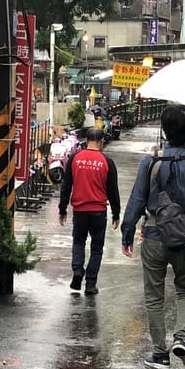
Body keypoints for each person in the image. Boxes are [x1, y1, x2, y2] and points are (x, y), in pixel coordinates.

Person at [120, 103, 185, 369]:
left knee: (154, 296)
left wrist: (127, 233)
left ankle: (160, 355)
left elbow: (137, 200)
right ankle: (182, 338)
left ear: (164, 130)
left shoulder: (150, 161)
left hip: (153, 235)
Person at [58, 126, 121, 295]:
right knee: (97, 247)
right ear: (101, 142)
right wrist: (116, 213)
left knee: (78, 242)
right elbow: (113, 190)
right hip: (98, 211)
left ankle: (78, 270)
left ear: (86, 141)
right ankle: (91, 283)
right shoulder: (107, 162)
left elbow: (66, 186)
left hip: (79, 210)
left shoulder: (75, 158)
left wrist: (62, 209)